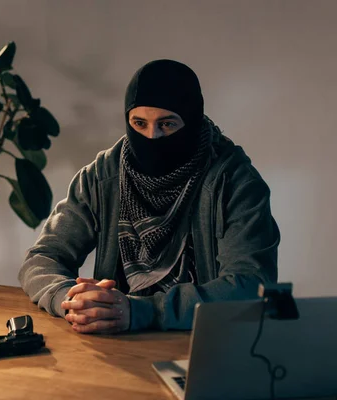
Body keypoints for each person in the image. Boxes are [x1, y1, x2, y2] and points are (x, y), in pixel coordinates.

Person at [18, 59, 280, 334]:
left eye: (167, 124)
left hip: (204, 343)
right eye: (139, 123)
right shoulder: (101, 177)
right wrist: (71, 300)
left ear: (192, 121)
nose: (152, 137)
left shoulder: (236, 183)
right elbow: (42, 258)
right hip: (116, 341)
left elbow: (251, 285)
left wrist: (140, 311)